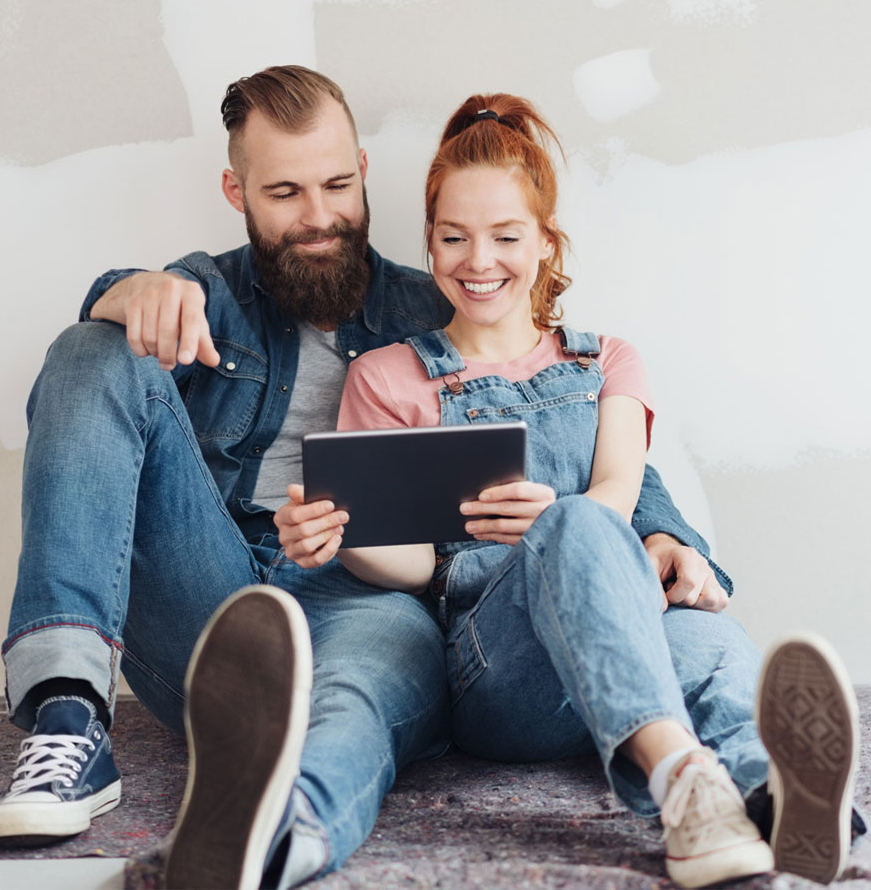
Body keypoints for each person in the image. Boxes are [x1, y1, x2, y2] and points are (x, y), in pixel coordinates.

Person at [0, 66, 755, 889]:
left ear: (365, 174)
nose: (318, 217)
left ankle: (275, 840)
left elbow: (587, 419)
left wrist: (667, 535)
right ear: (235, 190)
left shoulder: (445, 306)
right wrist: (124, 291)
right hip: (217, 603)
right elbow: (120, 331)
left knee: (358, 704)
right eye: (284, 192)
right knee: (92, 347)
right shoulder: (203, 295)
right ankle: (65, 718)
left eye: (337, 184)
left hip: (372, 599)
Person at [275, 93, 863, 887]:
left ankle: (773, 797)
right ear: (430, 243)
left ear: (547, 243)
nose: (478, 261)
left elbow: (619, 491)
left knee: (711, 642)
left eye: (505, 237)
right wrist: (344, 533)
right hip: (495, 664)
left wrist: (571, 529)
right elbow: (413, 567)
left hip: (617, 620)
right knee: (576, 524)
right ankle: (682, 786)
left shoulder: (607, 361)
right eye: (453, 238)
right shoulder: (388, 377)